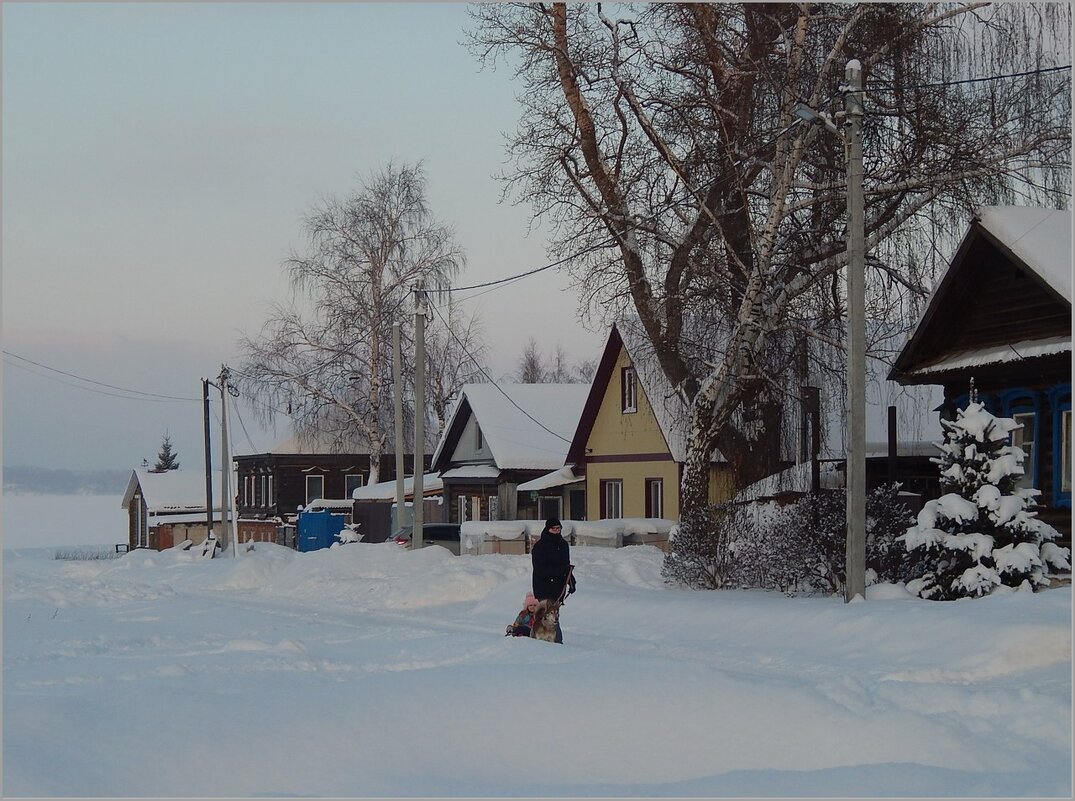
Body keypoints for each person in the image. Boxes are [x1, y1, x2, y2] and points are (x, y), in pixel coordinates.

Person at [531, 517, 576, 644]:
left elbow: (566, 566)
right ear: (548, 529)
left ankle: (545, 638)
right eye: (553, 528)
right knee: (548, 615)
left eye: (558, 528)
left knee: (553, 615)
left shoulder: (563, 545)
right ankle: (554, 640)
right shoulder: (540, 546)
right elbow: (540, 569)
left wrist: (571, 582)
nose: (556, 531)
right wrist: (560, 571)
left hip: (558, 587)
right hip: (544, 586)